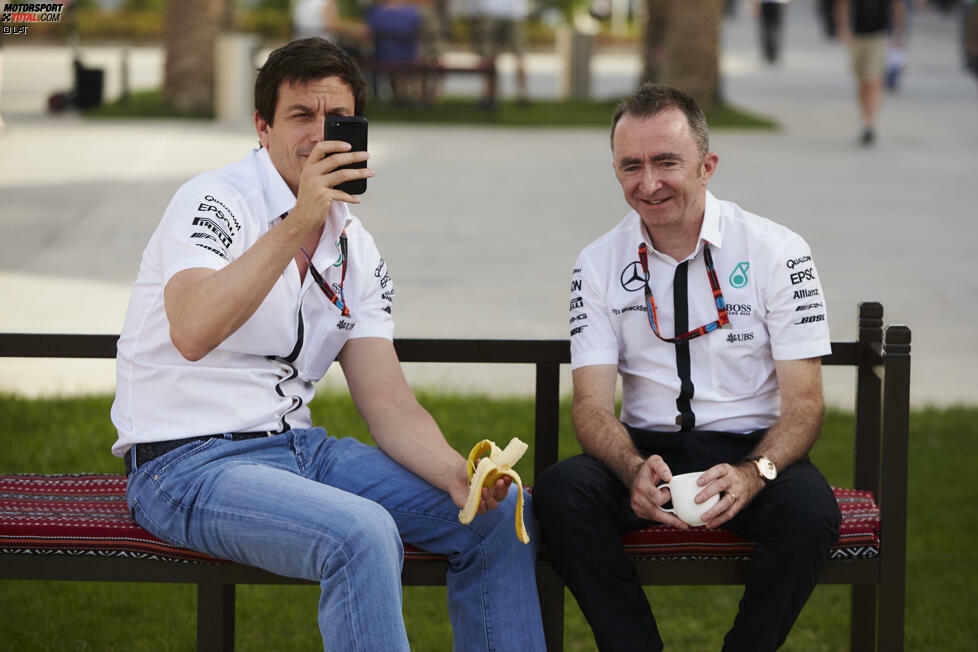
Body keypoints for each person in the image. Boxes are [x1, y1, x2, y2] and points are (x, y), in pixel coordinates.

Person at [110, 37, 545, 652]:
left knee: (497, 515)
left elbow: (389, 403)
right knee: (362, 534)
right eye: (299, 117)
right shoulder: (213, 202)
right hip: (185, 463)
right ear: (262, 128)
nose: (318, 136)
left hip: (297, 450)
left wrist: (456, 474)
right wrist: (299, 222)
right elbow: (192, 328)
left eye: (334, 120)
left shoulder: (354, 245)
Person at [532, 83, 842, 652]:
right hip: (646, 451)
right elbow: (592, 406)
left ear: (707, 165)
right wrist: (630, 470)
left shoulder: (778, 251)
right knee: (558, 493)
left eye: (666, 162)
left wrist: (754, 474)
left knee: (811, 513)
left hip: (753, 450)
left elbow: (805, 404)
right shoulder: (597, 263)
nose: (648, 184)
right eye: (631, 166)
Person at [836, 0, 906, 145]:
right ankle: (865, 119)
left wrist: (898, 32)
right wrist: (843, 27)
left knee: (872, 80)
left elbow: (897, 5)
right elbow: (843, 4)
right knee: (862, 82)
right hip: (857, 35)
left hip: (879, 36)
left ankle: (870, 123)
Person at [474, 0, 530, 107]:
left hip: (511, 11)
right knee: (490, 56)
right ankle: (492, 96)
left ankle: (521, 96)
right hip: (495, 10)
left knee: (517, 55)